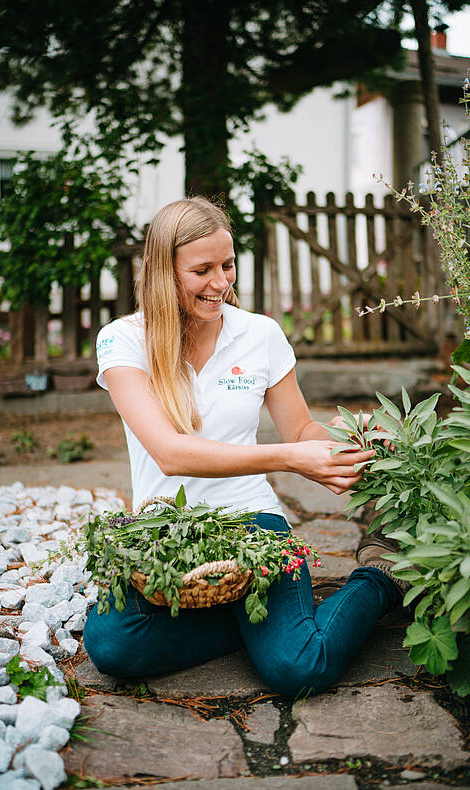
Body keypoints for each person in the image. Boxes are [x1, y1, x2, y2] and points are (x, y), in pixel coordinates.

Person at [83, 196, 407, 696]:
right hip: (167, 529)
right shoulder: (123, 341)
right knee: (112, 648)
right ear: (161, 272)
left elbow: (300, 432)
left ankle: (379, 578)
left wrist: (351, 437)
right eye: (202, 270)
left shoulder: (261, 334)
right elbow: (170, 452)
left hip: (254, 521)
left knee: (301, 668)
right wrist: (286, 458)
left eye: (228, 265)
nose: (221, 283)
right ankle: (252, 622)